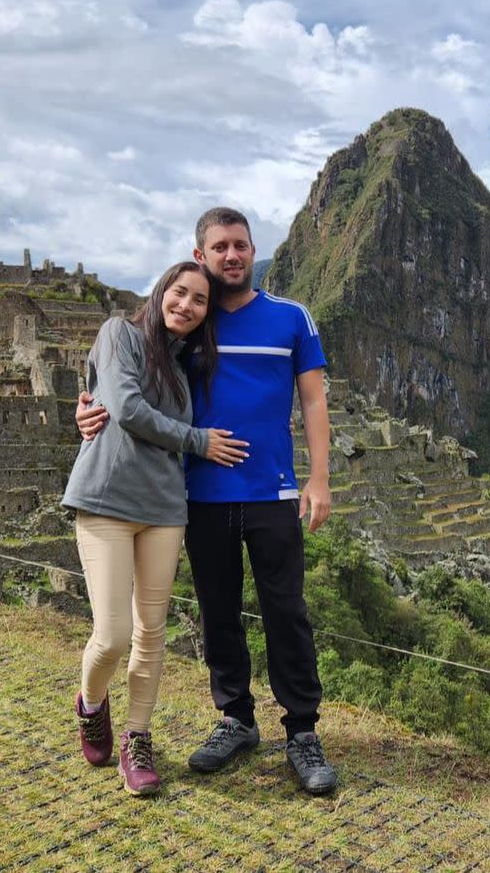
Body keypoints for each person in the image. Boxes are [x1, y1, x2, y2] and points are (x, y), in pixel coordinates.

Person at [77, 207, 337, 795]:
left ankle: (301, 730)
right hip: (199, 496)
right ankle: (236, 719)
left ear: (252, 250)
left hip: (272, 492)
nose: (231, 256)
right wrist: (86, 405)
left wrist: (319, 480)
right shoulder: (194, 326)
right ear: (201, 256)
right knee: (219, 611)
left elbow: (315, 402)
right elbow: (124, 375)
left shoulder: (290, 318)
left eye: (240, 245)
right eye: (219, 247)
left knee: (286, 613)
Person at [63, 261, 249, 796]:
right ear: (162, 289)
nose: (186, 306)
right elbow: (123, 406)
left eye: (199, 302)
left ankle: (137, 736)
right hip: (106, 501)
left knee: (151, 631)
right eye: (180, 292)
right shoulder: (118, 334)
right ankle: (92, 703)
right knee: (113, 633)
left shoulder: (189, 362)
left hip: (166, 509)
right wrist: (196, 440)